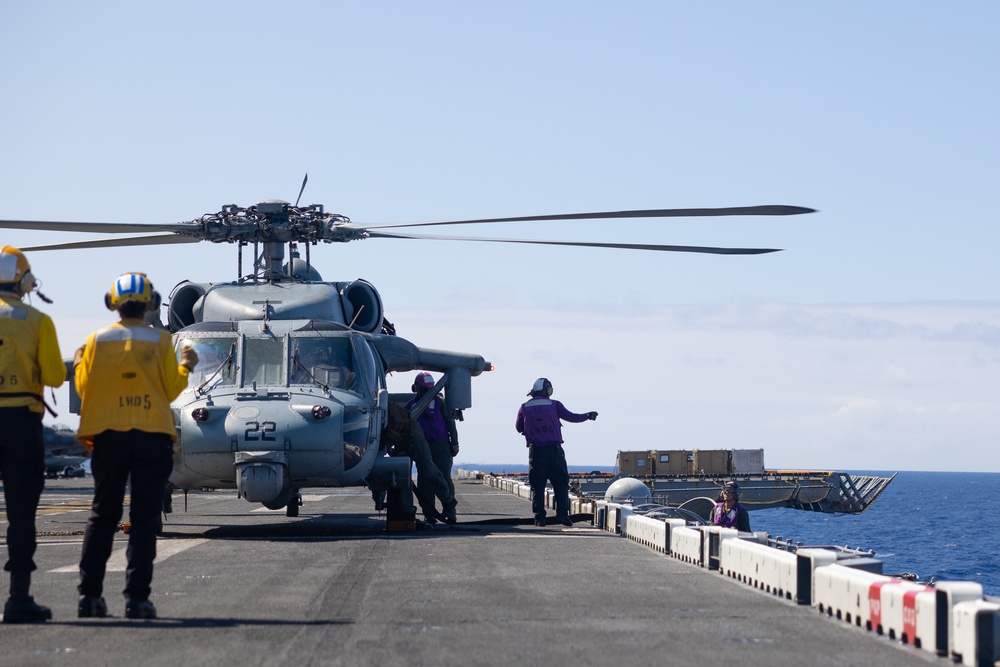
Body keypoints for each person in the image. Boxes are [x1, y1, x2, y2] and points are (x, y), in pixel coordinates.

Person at [75, 273, 198, 620]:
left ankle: (89, 598)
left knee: (102, 516)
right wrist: (186, 365)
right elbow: (172, 389)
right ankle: (137, 600)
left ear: (112, 303)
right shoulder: (160, 341)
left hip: (109, 438)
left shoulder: (97, 340)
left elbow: (85, 388)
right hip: (150, 436)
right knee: (143, 520)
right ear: (149, 304)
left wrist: (82, 360)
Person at [0, 247, 65, 624]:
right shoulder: (37, 320)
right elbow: (56, 376)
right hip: (21, 421)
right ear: (24, 282)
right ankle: (18, 598)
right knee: (21, 514)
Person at [515, 378, 597, 527]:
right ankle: (562, 515)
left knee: (537, 485)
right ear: (548, 390)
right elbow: (571, 417)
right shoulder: (554, 405)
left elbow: (519, 427)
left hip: (536, 452)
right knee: (560, 483)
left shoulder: (524, 407)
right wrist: (587, 416)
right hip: (554, 451)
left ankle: (539, 518)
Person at [382, 400, 456, 525]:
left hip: (413, 437)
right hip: (402, 441)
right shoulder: (408, 405)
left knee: (429, 471)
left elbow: (393, 434)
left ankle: (449, 503)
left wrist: (454, 442)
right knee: (403, 477)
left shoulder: (385, 409)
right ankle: (409, 512)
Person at [405, 372, 459, 523]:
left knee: (444, 477)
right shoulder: (411, 406)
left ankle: (450, 511)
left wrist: (454, 443)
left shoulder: (441, 403)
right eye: (424, 389)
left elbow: (450, 423)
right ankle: (429, 513)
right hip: (423, 448)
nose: (427, 392)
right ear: (417, 388)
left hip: (441, 446)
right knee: (424, 482)